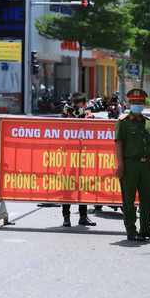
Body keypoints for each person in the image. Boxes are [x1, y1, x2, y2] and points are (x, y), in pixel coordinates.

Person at [114, 88, 150, 242]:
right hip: (129, 165)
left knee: (146, 199)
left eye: (140, 102)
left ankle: (145, 229)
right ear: (129, 103)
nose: (137, 104)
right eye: (134, 102)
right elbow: (118, 144)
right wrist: (120, 166)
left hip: (145, 165)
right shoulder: (123, 122)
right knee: (128, 200)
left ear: (144, 103)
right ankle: (131, 230)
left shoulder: (148, 122)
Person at [60, 92, 97, 227]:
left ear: (85, 106)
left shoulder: (89, 117)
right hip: (68, 158)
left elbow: (92, 130)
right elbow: (57, 130)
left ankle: (83, 216)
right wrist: (65, 115)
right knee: (67, 188)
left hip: (84, 159)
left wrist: (80, 116)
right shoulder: (66, 117)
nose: (75, 110)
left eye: (78, 107)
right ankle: (66, 217)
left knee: (83, 187)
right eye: (73, 107)